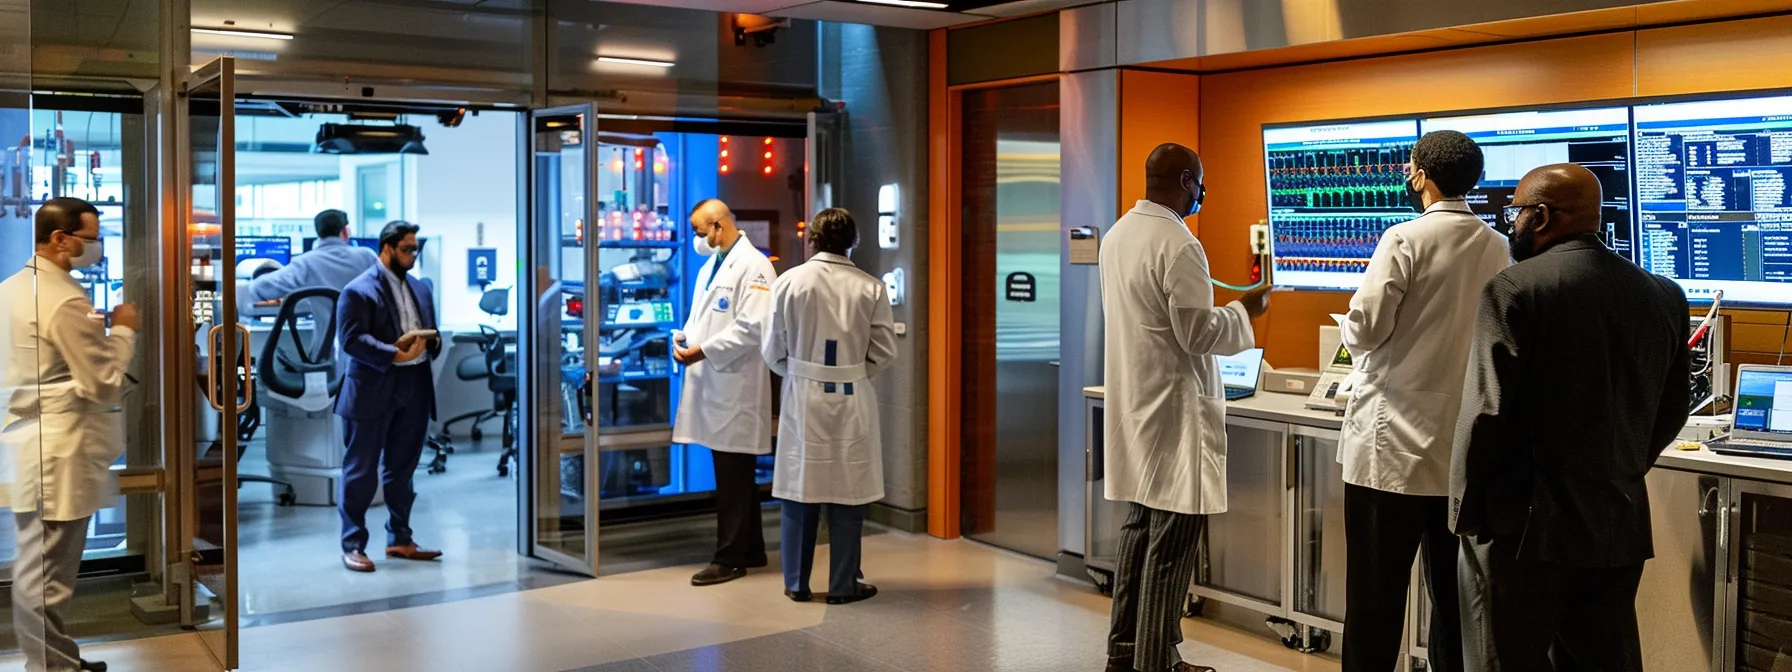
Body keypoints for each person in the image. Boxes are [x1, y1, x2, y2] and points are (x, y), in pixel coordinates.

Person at [1451, 164, 1690, 672]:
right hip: (1616, 523)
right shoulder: (1664, 294)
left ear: (1540, 216)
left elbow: (1485, 415)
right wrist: (1623, 468)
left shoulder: (1515, 289)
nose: (1510, 222)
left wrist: (1465, 516)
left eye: (1515, 211)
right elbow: (1675, 406)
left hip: (1521, 531)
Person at [1336, 130, 1508, 672]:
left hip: (1389, 455)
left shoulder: (1403, 238)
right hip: (1457, 455)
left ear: (1419, 175)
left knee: (1375, 601)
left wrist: (1349, 327)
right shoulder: (1498, 245)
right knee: (1454, 605)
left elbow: (1364, 329)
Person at [1100, 143, 1272, 672]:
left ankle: (1125, 653)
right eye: (1199, 182)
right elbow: (1196, 334)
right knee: (1170, 550)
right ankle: (1155, 664)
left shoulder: (1118, 234)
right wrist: (1246, 309)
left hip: (1137, 405)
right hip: (1174, 416)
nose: (1203, 193)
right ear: (1182, 179)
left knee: (1137, 535)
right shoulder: (1179, 243)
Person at [2, 197, 138, 672]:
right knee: (46, 578)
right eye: (90, 238)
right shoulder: (62, 296)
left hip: (34, 442)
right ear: (60, 239)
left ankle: (61, 661)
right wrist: (122, 332)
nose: (95, 247)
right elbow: (101, 381)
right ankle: (52, 668)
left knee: (39, 569)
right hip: (58, 448)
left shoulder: (12, 288)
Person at [761, 208, 898, 605]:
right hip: (852, 394)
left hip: (803, 393)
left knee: (798, 486)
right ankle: (843, 585)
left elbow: (772, 348)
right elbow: (885, 350)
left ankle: (796, 583)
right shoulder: (870, 287)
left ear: (813, 240)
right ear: (853, 241)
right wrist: (854, 370)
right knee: (848, 490)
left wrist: (799, 371)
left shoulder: (789, 282)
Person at [673, 199, 777, 587]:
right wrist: (684, 339)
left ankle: (729, 558)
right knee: (735, 471)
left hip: (736, 385)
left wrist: (701, 351)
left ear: (718, 226)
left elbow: (753, 328)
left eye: (701, 233)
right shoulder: (711, 265)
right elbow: (702, 316)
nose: (698, 240)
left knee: (733, 473)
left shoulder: (755, 266)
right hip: (715, 381)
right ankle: (751, 548)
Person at [334, 220, 444, 573]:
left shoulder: (420, 288)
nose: (413, 255)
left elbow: (432, 329)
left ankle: (400, 539)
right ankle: (353, 544)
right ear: (387, 248)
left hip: (414, 386)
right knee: (361, 472)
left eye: (416, 249)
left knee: (403, 470)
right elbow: (351, 340)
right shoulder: (358, 290)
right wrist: (393, 353)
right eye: (407, 249)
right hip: (372, 388)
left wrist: (432, 342)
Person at [246, 209, 380, 301]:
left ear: (319, 232)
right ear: (345, 231)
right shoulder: (367, 257)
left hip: (327, 342)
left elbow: (260, 288)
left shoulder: (305, 263)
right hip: (367, 341)